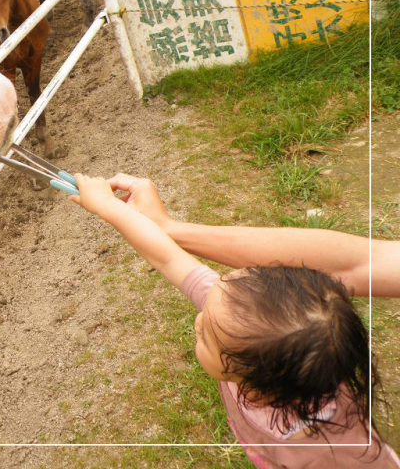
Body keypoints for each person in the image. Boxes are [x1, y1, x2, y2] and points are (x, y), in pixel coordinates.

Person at [69, 173, 400, 468]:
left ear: (255, 391)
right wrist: (110, 209)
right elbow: (167, 256)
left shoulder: (335, 455)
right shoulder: (241, 324)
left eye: (206, 338)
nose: (199, 320)